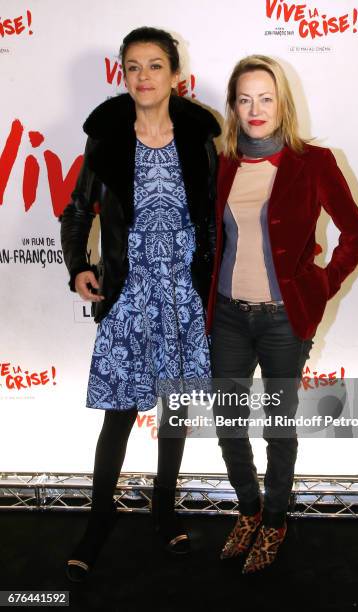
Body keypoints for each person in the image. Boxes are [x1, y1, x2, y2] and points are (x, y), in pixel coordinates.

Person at [60, 26, 220, 582]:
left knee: (174, 416)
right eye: (134, 67)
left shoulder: (199, 137)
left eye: (155, 66)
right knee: (118, 419)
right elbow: (77, 209)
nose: (144, 76)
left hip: (181, 295)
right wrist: (78, 264)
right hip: (128, 297)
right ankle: (97, 520)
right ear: (121, 74)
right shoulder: (107, 137)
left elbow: (217, 219)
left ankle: (164, 512)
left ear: (175, 74)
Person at [206, 55, 358, 574]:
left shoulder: (314, 162)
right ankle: (249, 511)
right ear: (233, 106)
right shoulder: (221, 161)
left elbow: (356, 233)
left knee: (278, 426)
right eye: (244, 99)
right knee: (229, 424)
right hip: (228, 317)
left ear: (283, 104)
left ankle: (275, 520)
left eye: (266, 98)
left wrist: (320, 285)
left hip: (283, 320)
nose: (255, 109)